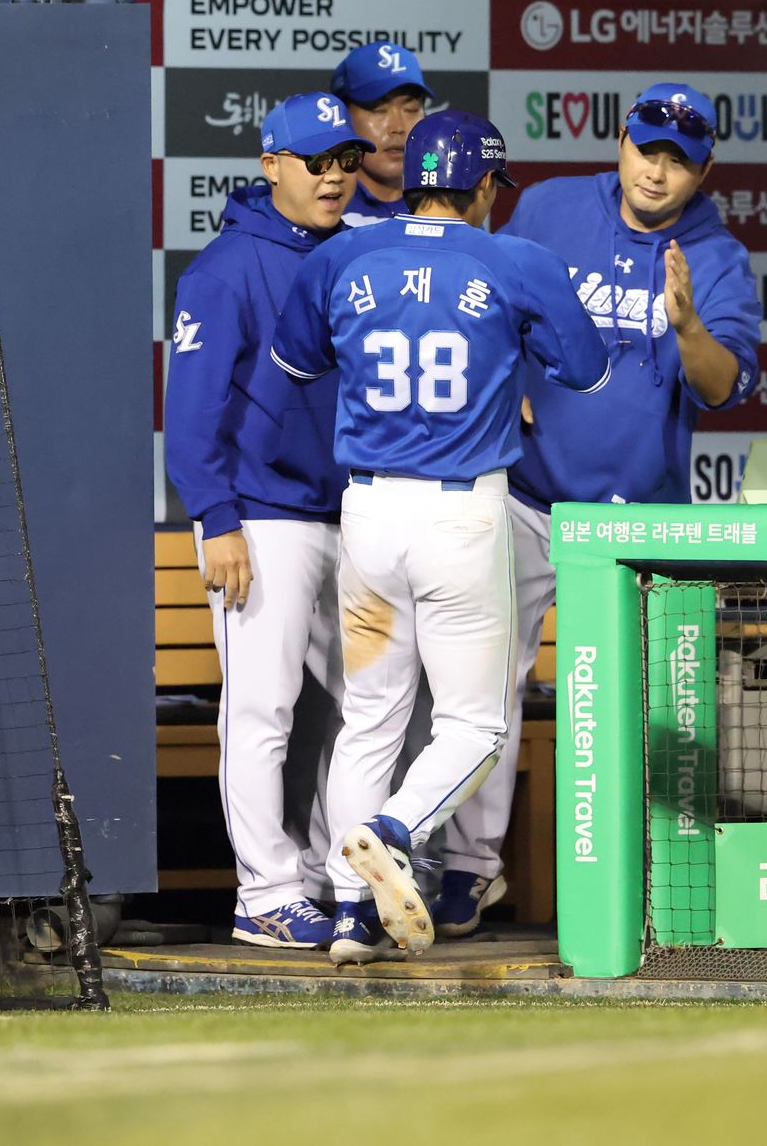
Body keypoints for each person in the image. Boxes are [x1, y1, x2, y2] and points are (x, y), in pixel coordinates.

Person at [269, 111, 610, 964]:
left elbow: (296, 362)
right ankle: (392, 832)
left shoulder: (342, 252)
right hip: (462, 516)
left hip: (371, 516)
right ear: (486, 186)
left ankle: (350, 915)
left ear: (408, 172)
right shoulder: (515, 259)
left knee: (370, 721)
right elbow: (590, 367)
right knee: (474, 725)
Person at [431, 83, 763, 937]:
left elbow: (724, 389)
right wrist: (504, 389)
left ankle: (649, 879)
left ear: (704, 171)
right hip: (530, 497)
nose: (657, 172)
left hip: (637, 521)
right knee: (485, 688)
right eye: (647, 150)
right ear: (621, 142)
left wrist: (688, 326)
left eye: (678, 162)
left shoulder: (717, 258)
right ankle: (468, 870)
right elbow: (477, 300)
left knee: (632, 704)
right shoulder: (547, 208)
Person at [162, 93, 373, 949]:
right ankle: (265, 891)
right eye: (317, 161)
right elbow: (192, 411)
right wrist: (216, 519)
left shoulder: (359, 252)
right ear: (272, 164)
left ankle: (331, 877)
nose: (334, 177)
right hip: (264, 521)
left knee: (362, 709)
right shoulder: (224, 269)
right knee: (261, 711)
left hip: (353, 515)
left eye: (346, 161)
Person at [330, 41, 431, 227]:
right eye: (378, 109)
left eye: (411, 108)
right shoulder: (321, 207)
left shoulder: (448, 207)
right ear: (342, 117)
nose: (398, 127)